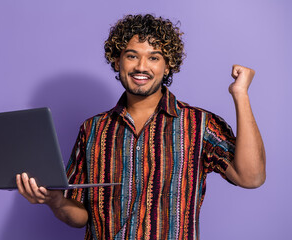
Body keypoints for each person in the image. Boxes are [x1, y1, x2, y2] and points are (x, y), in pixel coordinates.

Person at [16, 14, 266, 239]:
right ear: (117, 62)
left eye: (154, 58)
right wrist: (54, 201)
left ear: (167, 66)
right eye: (132, 55)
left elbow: (251, 177)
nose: (141, 67)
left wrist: (240, 94)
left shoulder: (199, 124)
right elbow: (81, 217)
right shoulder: (92, 129)